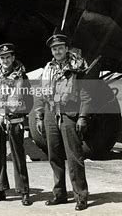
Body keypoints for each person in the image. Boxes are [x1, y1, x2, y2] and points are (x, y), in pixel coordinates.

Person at [34, 33, 91, 211]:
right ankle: (59, 194)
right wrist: (39, 116)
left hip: (69, 114)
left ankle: (80, 196)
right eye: (54, 48)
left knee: (74, 157)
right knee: (54, 156)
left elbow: (86, 95)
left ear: (66, 49)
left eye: (60, 47)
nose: (57, 51)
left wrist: (83, 117)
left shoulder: (77, 68)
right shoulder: (48, 69)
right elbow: (40, 94)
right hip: (51, 114)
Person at [0, 43, 33, 205]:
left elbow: (29, 101)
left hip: (14, 121)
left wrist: (17, 111)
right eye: (2, 58)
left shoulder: (21, 77)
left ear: (13, 58)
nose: (5, 60)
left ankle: (24, 191)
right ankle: (0, 189)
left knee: (18, 156)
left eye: (8, 57)